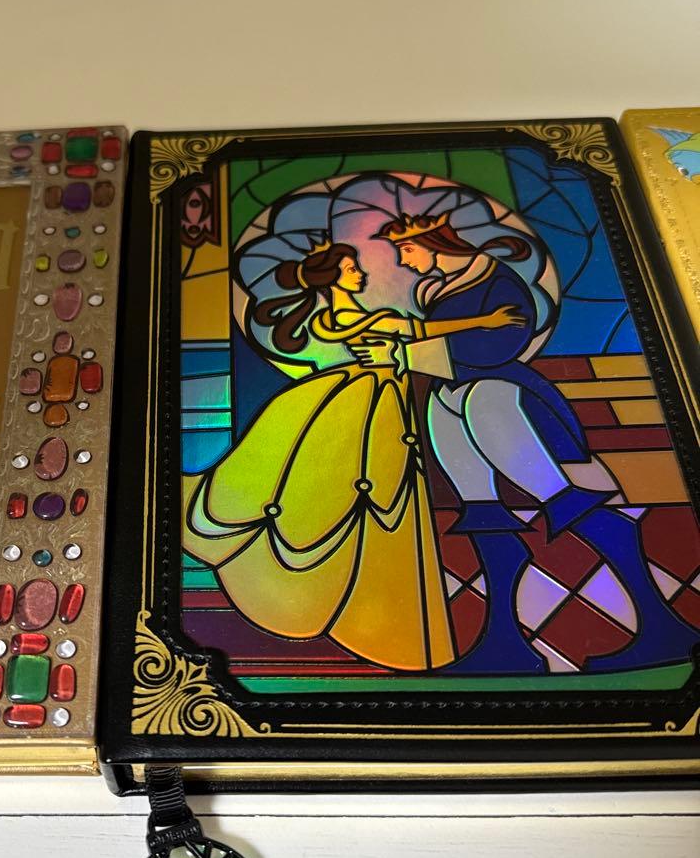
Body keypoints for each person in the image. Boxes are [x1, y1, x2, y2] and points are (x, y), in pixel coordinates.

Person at [366, 211, 698, 672]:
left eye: (407, 250)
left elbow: (501, 345)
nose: (404, 262)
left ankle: (663, 629)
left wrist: (407, 354)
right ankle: (503, 644)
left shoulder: (495, 280)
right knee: (484, 515)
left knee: (563, 500)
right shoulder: (435, 289)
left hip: (497, 398)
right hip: (447, 395)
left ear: (435, 242)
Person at [182, 241, 523, 672]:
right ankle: (393, 611)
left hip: (368, 391)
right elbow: (420, 331)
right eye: (349, 268)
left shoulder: (329, 318)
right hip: (372, 398)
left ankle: (390, 605)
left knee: (369, 490)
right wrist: (486, 320)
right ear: (332, 279)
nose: (359, 273)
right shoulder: (365, 317)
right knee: (378, 488)